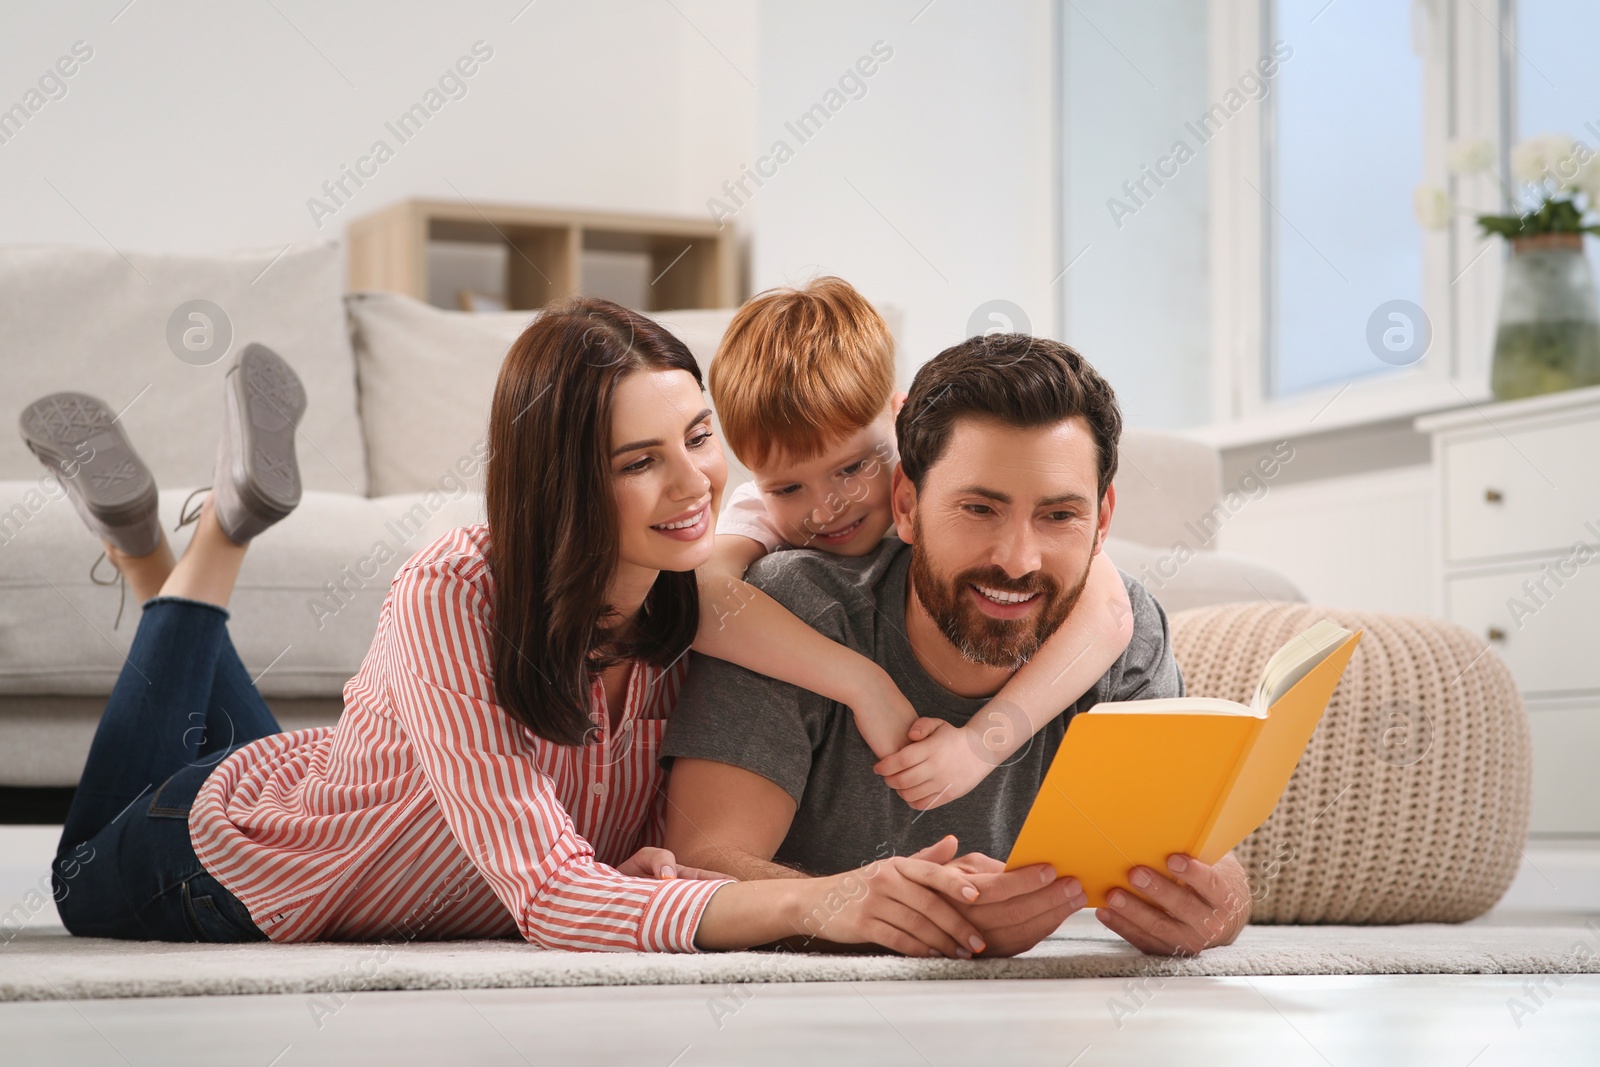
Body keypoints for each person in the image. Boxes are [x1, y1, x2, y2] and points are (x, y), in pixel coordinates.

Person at [29, 300, 1064, 958]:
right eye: (635, 460)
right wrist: (820, 902)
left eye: (697, 437)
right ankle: (202, 543)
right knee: (78, 877)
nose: (692, 482)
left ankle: (140, 545)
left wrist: (865, 694)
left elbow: (641, 815)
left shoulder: (688, 599)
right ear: (564, 478)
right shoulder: (458, 589)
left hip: (329, 779)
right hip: (236, 867)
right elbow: (552, 893)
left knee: (299, 764)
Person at [662, 331, 1254, 957]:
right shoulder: (795, 607)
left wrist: (1219, 906)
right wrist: (872, 907)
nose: (1018, 561)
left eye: (1059, 516)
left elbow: (1204, 854)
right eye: (978, 509)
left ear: (1103, 520)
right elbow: (700, 862)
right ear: (907, 505)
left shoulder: (1125, 626)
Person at [696, 278, 1135, 807]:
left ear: (900, 418)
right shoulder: (761, 521)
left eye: (853, 468)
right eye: (788, 488)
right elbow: (697, 599)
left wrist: (982, 744)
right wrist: (862, 684)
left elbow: (1109, 610)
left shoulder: (936, 478)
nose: (824, 507)